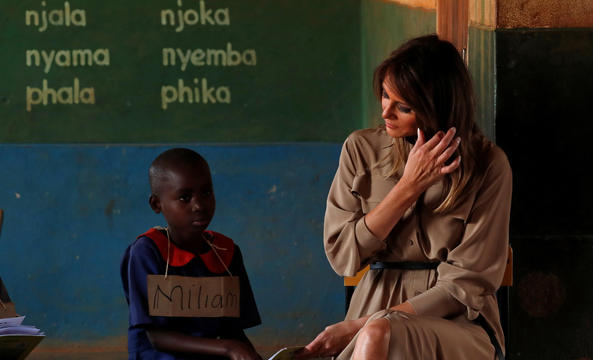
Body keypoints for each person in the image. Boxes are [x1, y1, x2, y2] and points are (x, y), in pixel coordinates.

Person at [298, 35, 512, 360]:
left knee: (380, 331)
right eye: (385, 95)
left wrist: (360, 327)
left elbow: (467, 285)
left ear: (435, 108)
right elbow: (343, 256)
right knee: (379, 332)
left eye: (404, 106)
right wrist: (407, 187)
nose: (385, 111)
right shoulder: (360, 150)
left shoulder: (489, 165)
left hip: (457, 323)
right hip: (371, 304)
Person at [120, 148, 262, 360]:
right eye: (184, 197)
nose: (199, 205)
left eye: (206, 192)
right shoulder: (148, 252)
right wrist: (228, 348)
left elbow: (232, 331)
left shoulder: (226, 252)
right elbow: (156, 336)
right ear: (157, 204)